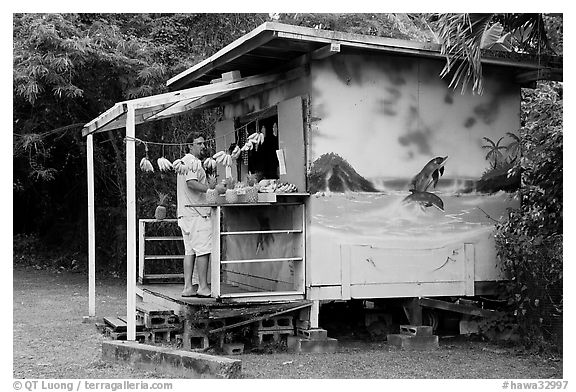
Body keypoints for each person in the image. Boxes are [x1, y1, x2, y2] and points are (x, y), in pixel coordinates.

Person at [177, 132, 225, 297]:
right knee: (203, 250)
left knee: (189, 251)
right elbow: (191, 183)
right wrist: (212, 189)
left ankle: (188, 287)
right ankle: (203, 287)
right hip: (197, 213)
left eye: (203, 143)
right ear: (190, 145)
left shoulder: (184, 161)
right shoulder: (192, 162)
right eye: (199, 143)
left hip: (185, 213)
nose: (203, 146)